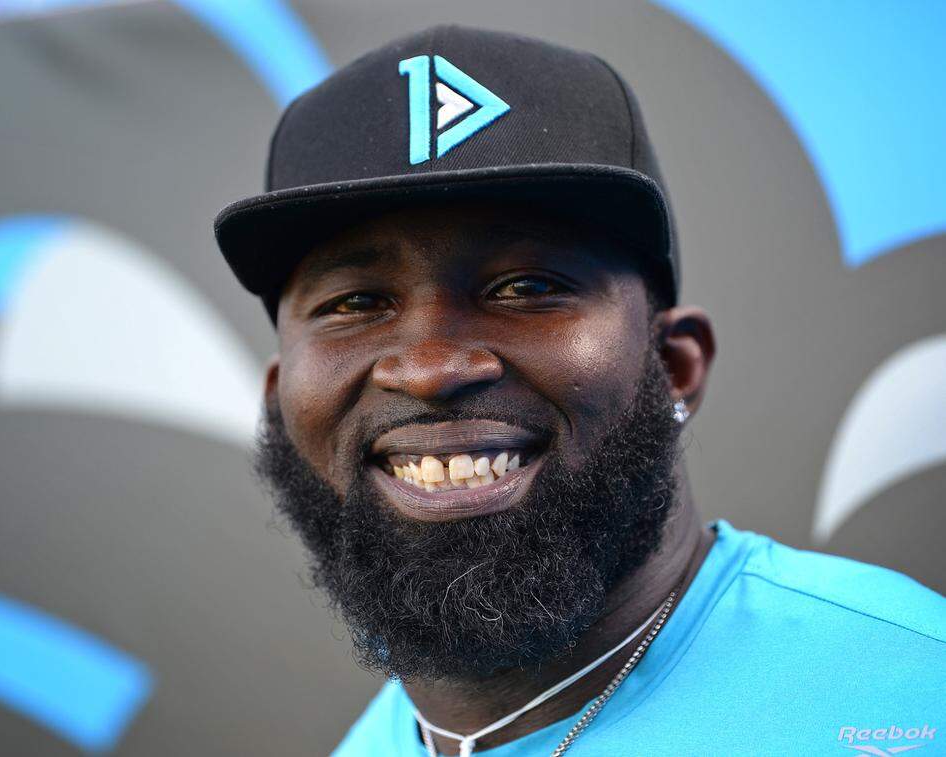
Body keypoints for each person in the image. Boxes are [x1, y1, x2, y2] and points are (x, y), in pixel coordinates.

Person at [213, 25, 945, 756]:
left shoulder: (912, 693)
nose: (432, 368)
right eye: (357, 303)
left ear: (674, 362)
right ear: (280, 398)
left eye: (527, 286)